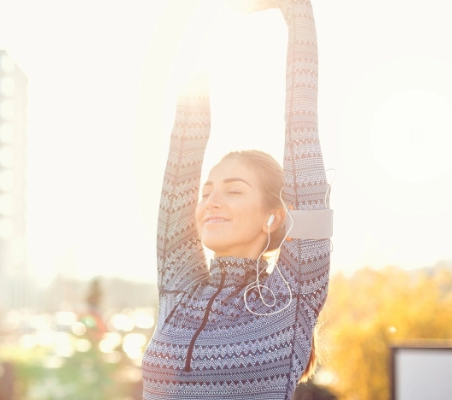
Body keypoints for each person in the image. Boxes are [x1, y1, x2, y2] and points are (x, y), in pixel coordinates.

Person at [141, 0, 331, 399]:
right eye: (208, 190)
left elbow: (302, 130)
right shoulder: (180, 287)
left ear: (274, 216)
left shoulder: (290, 298)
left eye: (233, 190)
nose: (211, 200)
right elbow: (184, 146)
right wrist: (206, 23)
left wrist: (297, 13)